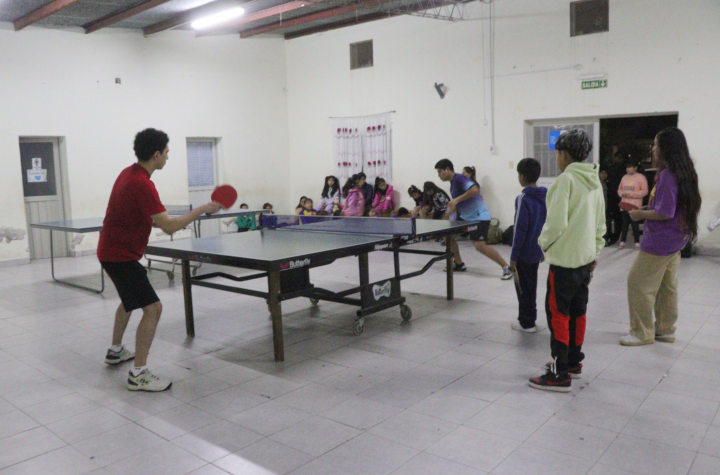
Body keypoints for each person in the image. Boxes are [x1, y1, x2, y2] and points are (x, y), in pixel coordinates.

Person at [98, 128, 220, 392]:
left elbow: (135, 215)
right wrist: (202, 208)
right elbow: (169, 227)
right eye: (166, 152)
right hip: (120, 255)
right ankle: (139, 374)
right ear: (156, 155)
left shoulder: (128, 173)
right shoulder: (143, 183)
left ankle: (115, 351)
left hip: (111, 251)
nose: (168, 157)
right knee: (153, 308)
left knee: (129, 300)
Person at [529, 129, 605, 392]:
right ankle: (573, 362)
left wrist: (543, 244)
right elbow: (600, 225)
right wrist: (594, 253)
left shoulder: (565, 180)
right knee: (578, 312)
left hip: (564, 263)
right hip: (585, 261)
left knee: (558, 315)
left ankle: (559, 374)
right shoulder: (594, 181)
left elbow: (555, 224)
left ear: (562, 154)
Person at [620, 128, 701, 346]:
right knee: (667, 287)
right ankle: (665, 330)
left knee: (638, 283)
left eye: (656, 144)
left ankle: (642, 332)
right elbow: (667, 206)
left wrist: (640, 214)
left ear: (666, 148)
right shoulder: (684, 172)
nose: (654, 149)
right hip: (676, 240)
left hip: (660, 242)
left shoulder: (667, 175)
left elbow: (665, 212)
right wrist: (646, 208)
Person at [435, 158, 513, 279]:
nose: (439, 175)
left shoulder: (459, 178)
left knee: (480, 246)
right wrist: (447, 214)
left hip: (479, 217)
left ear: (448, 169)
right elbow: (458, 204)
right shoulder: (453, 184)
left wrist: (456, 200)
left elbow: (475, 190)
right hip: (466, 218)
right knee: (448, 236)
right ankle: (459, 264)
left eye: (440, 172)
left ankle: (507, 267)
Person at [509, 158, 547, 333]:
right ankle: (530, 317)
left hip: (524, 253)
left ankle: (526, 322)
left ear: (522, 177)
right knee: (531, 285)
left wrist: (513, 257)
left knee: (523, 287)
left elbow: (519, 229)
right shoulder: (545, 197)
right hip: (537, 250)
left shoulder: (522, 198)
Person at [617, 158, 649, 249]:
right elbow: (619, 189)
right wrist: (622, 194)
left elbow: (645, 191)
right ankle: (622, 241)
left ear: (635, 168)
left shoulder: (641, 178)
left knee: (634, 223)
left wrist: (632, 194)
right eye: (627, 167)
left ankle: (637, 241)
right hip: (625, 203)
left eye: (629, 167)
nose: (627, 169)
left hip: (635, 204)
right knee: (625, 223)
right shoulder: (624, 177)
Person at [605, 151, 626, 244]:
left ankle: (614, 236)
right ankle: (611, 236)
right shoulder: (612, 168)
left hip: (618, 196)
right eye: (618, 157)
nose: (619, 159)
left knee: (618, 218)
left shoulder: (624, 169)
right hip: (613, 196)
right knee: (613, 217)